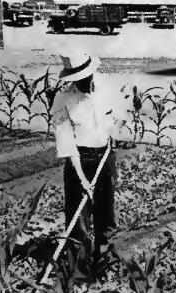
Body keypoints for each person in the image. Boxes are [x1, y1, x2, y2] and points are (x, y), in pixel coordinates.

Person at [51, 49, 123, 279]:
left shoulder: (107, 90)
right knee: (78, 219)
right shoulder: (62, 99)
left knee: (106, 213)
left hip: (105, 157)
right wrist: (81, 178)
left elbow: (115, 120)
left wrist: (113, 135)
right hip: (79, 160)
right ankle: (79, 272)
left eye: (84, 78)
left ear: (91, 74)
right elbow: (66, 143)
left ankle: (105, 263)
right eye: (76, 80)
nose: (82, 83)